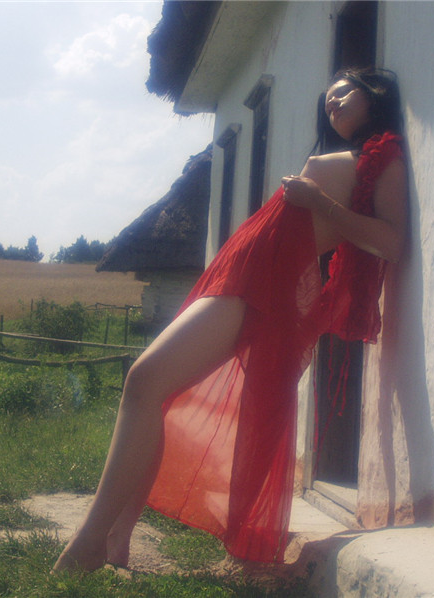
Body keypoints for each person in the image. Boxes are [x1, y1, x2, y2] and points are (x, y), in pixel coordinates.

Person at [53, 67, 408, 573]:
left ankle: (91, 540)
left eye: (344, 92)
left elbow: (392, 241)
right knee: (154, 392)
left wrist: (317, 200)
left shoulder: (385, 156)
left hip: (256, 289)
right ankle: (114, 541)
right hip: (237, 276)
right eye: (327, 97)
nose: (332, 102)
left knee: (144, 381)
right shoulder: (355, 156)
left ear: (375, 95)